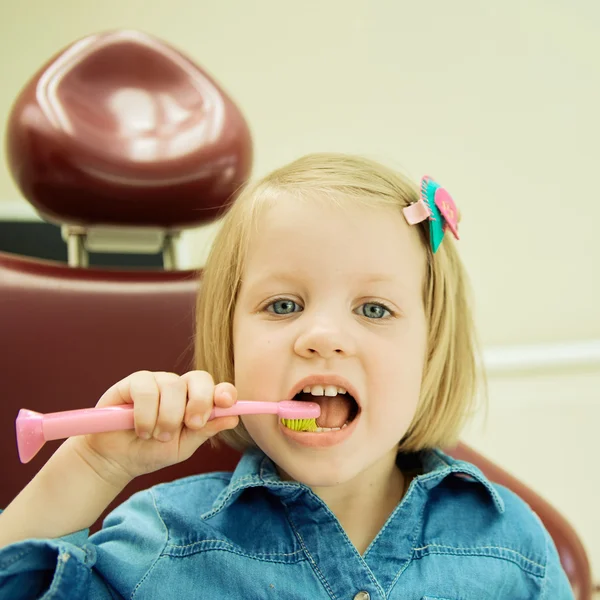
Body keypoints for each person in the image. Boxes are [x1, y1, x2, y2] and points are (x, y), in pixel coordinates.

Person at [0, 154, 573, 599]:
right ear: (229, 345)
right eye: (282, 306)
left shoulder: (511, 549)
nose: (322, 336)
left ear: (431, 353)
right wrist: (95, 463)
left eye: (374, 309)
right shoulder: (162, 539)